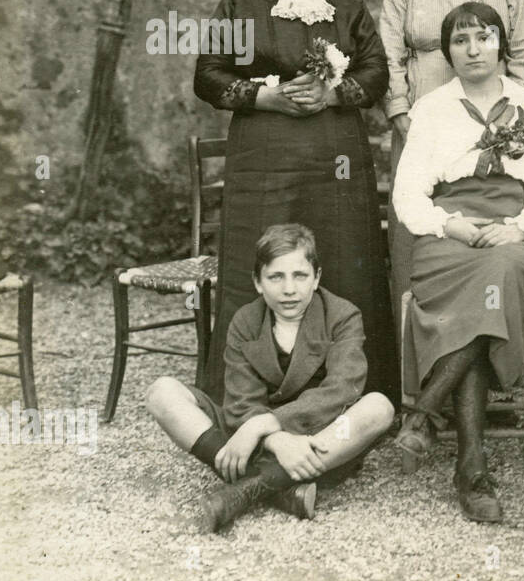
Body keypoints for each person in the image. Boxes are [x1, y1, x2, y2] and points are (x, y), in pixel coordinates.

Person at [194, 0, 395, 403]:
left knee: (343, 261)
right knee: (260, 264)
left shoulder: (347, 8)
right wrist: (266, 97)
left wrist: (333, 95)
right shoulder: (238, 5)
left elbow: (376, 73)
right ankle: (247, 394)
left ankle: (350, 391)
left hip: (336, 161)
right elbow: (208, 76)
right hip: (264, 159)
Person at [392, 2, 524, 522]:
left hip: (512, 231)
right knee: (480, 300)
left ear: (501, 46)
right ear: (448, 52)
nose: (472, 49)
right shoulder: (431, 109)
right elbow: (408, 198)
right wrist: (453, 226)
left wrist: (520, 228)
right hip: (450, 236)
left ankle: (427, 416)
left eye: (483, 38)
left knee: (503, 270)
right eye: (460, 41)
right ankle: (471, 468)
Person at [146, 224, 395, 534]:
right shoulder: (246, 322)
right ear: (258, 283)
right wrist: (275, 440)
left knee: (378, 407)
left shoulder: (342, 316)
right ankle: (283, 488)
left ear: (316, 278)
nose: (289, 289)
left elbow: (342, 389)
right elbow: (241, 402)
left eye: (300, 276)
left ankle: (243, 491)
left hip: (318, 440)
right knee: (161, 392)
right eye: (276, 277)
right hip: (252, 436)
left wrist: (269, 424)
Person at [381, 0, 524, 335]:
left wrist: (512, 122)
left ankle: (486, 350)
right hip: (419, 126)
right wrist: (400, 115)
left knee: (486, 233)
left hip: (493, 133)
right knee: (419, 234)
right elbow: (389, 51)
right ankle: (415, 359)